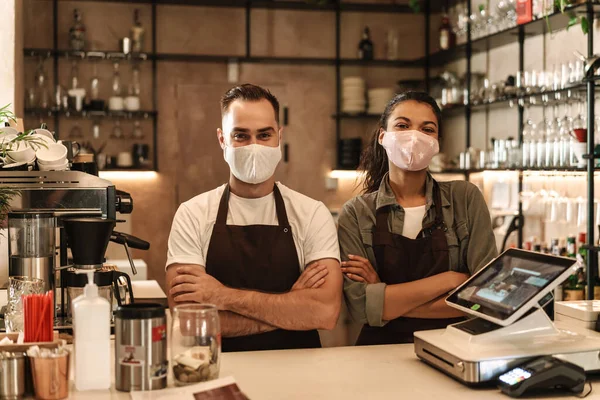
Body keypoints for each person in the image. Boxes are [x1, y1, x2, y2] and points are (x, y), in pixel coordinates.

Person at [165, 84, 342, 352]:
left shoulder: (312, 214)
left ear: (279, 137)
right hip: (218, 369)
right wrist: (291, 308)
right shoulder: (192, 214)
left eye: (264, 135)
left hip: (301, 374)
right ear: (222, 139)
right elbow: (189, 322)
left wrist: (220, 296)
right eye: (241, 136)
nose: (254, 146)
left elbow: (325, 312)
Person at [338, 91, 497, 345]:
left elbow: (486, 300)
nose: (414, 136)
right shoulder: (356, 213)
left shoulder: (464, 198)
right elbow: (359, 308)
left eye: (427, 129)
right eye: (402, 125)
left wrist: (385, 300)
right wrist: (450, 280)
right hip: (377, 354)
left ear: (437, 142)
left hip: (454, 347)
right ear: (383, 136)